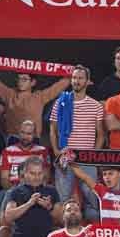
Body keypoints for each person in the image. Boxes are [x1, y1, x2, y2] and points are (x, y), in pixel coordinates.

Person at [49, 65, 106, 203]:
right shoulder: (60, 102)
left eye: (80, 78)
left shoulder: (96, 106)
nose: (76, 81)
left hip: (87, 157)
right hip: (65, 155)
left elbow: (101, 134)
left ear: (87, 82)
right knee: (63, 197)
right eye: (74, 77)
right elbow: (53, 129)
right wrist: (56, 151)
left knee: (92, 196)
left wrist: (94, 154)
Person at [0, 67, 69, 138]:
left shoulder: (39, 97)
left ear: (33, 82)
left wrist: (72, 73)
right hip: (13, 139)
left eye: (24, 79)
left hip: (33, 140)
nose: (20, 82)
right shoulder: (9, 94)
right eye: (19, 79)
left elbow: (59, 86)